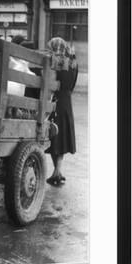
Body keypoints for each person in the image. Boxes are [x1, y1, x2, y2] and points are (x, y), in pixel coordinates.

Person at [45, 37, 78, 186]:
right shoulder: (73, 62)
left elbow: (49, 81)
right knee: (62, 136)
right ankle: (57, 171)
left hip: (55, 100)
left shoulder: (54, 61)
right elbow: (73, 84)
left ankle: (57, 171)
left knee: (54, 137)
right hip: (66, 101)